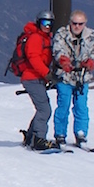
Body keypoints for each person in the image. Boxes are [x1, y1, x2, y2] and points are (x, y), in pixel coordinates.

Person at [52, 10, 94, 148]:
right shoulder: (62, 34)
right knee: (63, 106)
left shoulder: (92, 35)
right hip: (65, 76)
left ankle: (81, 133)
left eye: (80, 24)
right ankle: (60, 134)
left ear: (85, 24)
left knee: (81, 106)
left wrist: (91, 62)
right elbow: (57, 49)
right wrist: (63, 61)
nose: (77, 26)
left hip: (82, 77)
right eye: (74, 23)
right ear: (70, 22)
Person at [13, 9, 55, 149]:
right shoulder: (36, 38)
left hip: (37, 78)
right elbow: (34, 58)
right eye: (44, 22)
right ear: (38, 23)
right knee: (44, 109)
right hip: (32, 78)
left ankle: (31, 137)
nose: (47, 26)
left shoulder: (45, 37)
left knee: (42, 108)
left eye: (50, 23)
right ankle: (39, 140)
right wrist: (47, 74)